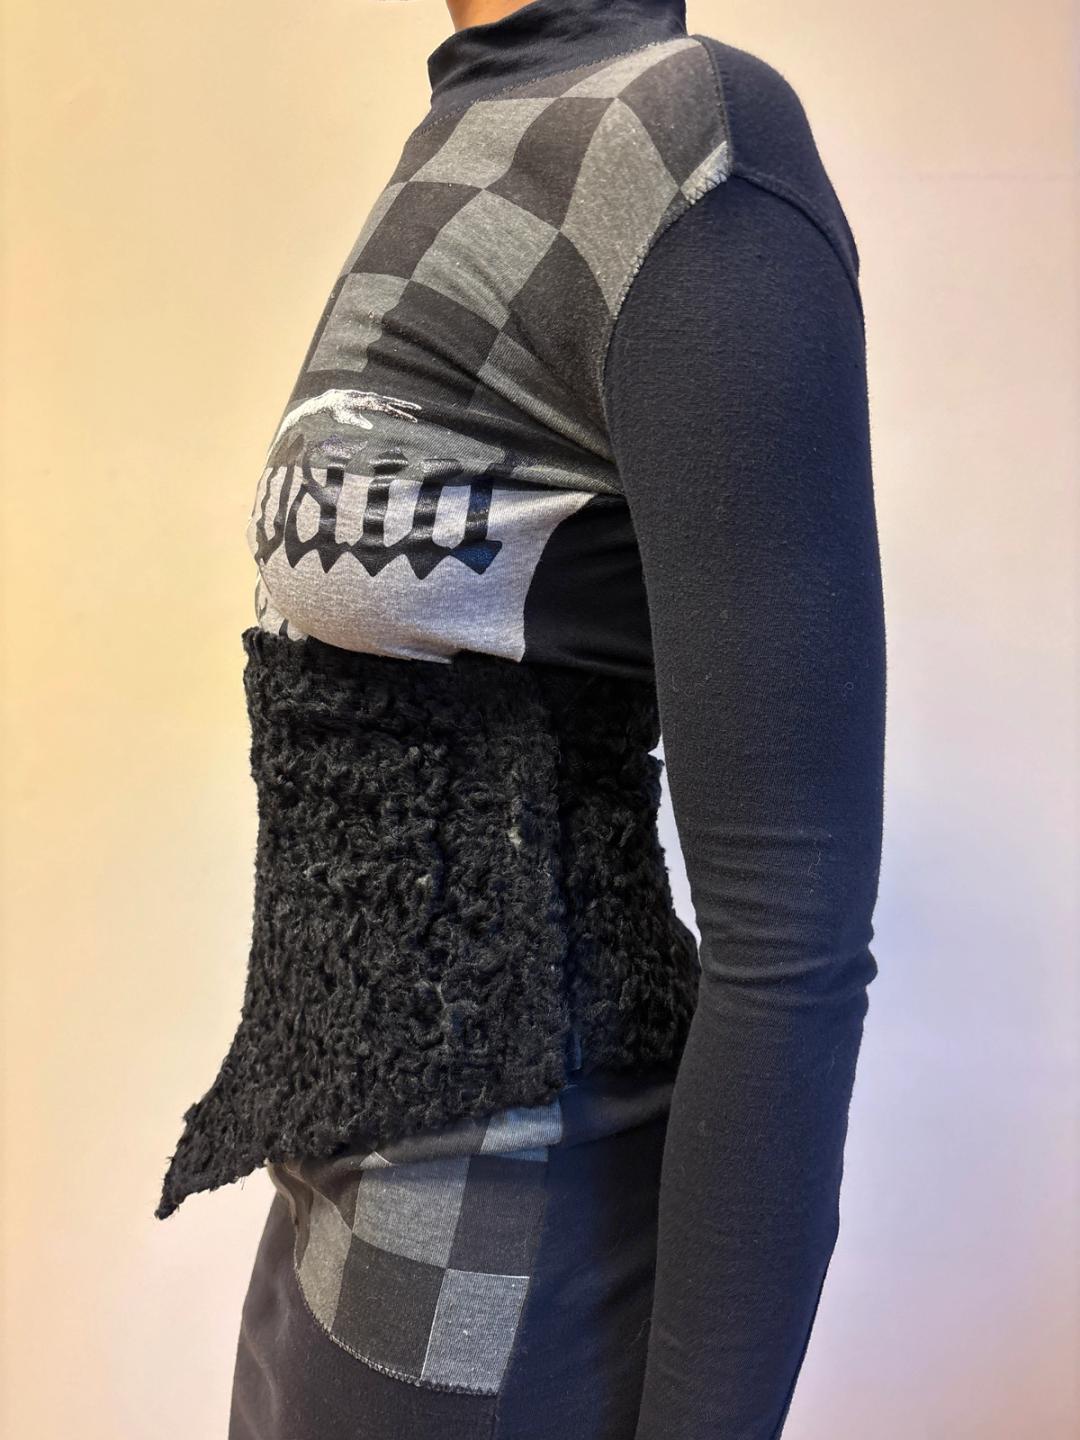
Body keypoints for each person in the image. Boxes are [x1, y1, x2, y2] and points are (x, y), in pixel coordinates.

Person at [157, 1, 887, 1436]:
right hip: (322, 1247)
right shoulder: (465, 128)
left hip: (499, 1307)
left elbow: (791, 943)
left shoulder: (689, 147)